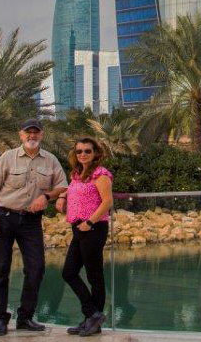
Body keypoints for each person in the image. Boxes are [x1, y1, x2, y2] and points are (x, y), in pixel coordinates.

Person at [0, 118, 68, 336]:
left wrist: (47, 196)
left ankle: (25, 317)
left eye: (36, 132)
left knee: (36, 268)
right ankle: (0, 318)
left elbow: (62, 186)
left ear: (42, 135)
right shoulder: (8, 157)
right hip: (4, 217)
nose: (32, 136)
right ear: (20, 135)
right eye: (28, 132)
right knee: (0, 268)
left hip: (31, 222)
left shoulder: (50, 160)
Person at [57, 136, 114, 336]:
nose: (83, 154)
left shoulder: (101, 174)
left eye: (87, 151)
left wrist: (89, 222)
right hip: (78, 228)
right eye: (79, 151)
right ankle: (92, 316)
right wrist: (62, 196)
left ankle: (92, 319)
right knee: (69, 272)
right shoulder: (76, 173)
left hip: (93, 228)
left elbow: (107, 202)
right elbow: (73, 190)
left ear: (95, 153)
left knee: (94, 275)